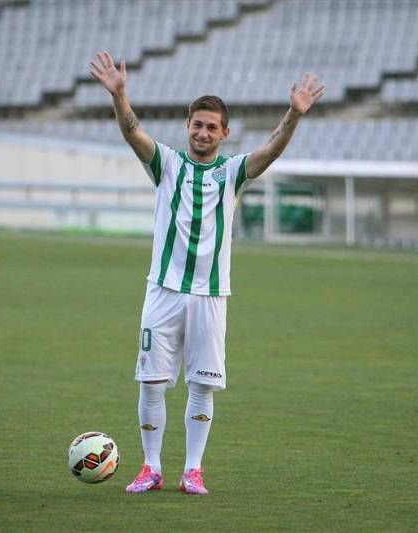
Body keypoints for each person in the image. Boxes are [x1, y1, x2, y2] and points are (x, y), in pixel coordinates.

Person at [90, 51, 324, 494]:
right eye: (196, 124)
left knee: (202, 385)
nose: (202, 132)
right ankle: (152, 467)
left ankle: (192, 470)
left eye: (211, 126)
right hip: (162, 291)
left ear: (224, 133)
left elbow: (271, 149)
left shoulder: (233, 171)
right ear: (187, 127)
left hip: (210, 295)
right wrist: (120, 95)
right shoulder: (167, 164)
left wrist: (293, 115)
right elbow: (132, 131)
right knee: (152, 381)